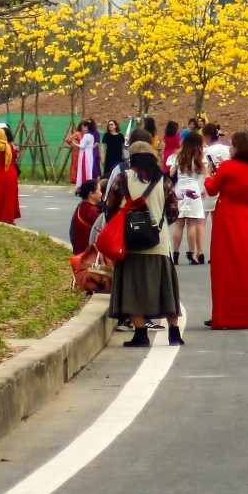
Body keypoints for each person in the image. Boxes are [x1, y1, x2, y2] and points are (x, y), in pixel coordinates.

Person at [106, 142, 183, 347]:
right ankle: (174, 332)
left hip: (130, 244)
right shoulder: (164, 181)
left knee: (132, 290)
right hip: (158, 245)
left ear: (131, 159)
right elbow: (173, 213)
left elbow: (110, 208)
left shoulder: (122, 179)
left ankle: (140, 334)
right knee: (165, 290)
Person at [203, 131, 248, 330]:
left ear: (238, 147)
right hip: (247, 219)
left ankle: (224, 314)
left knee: (223, 269)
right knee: (246, 268)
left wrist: (209, 175)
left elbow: (212, 190)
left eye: (232, 145)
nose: (230, 148)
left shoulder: (226, 167)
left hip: (226, 219)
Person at [170, 131, 209, 265]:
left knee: (179, 223)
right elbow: (204, 173)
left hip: (180, 189)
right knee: (192, 223)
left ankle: (175, 253)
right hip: (193, 189)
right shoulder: (199, 157)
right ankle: (191, 254)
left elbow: (171, 172)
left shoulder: (178, 156)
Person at [69, 179, 103, 255]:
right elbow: (104, 225)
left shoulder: (82, 205)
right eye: (99, 190)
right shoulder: (91, 209)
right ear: (91, 194)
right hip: (87, 253)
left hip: (80, 251)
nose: (101, 194)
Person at [71, 118, 99, 188]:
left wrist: (74, 143)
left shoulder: (86, 136)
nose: (82, 128)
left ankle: (83, 186)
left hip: (84, 155)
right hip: (89, 154)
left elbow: (82, 146)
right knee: (88, 170)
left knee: (83, 170)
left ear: (87, 127)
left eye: (84, 126)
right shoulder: (91, 136)